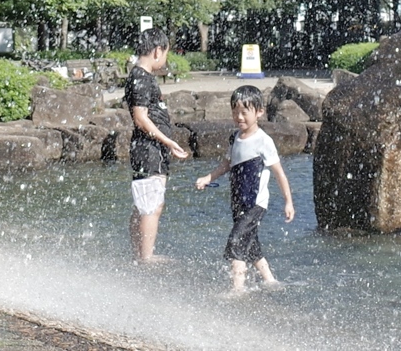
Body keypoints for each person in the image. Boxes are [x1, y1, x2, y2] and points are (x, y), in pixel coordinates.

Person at [196, 85, 295, 292]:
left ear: (259, 112)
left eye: (244, 112)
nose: (239, 117)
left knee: (236, 240)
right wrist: (208, 177)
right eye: (235, 112)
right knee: (250, 242)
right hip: (238, 200)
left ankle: (237, 289)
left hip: (255, 203)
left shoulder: (263, 141)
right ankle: (270, 280)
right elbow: (226, 165)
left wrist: (288, 201)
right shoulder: (234, 138)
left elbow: (279, 173)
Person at [126, 28, 189, 263]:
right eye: (165, 55)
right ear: (157, 51)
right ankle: (146, 256)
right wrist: (168, 140)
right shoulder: (141, 78)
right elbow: (140, 117)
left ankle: (140, 253)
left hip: (151, 150)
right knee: (150, 204)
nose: (165, 60)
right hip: (148, 149)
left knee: (148, 203)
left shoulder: (142, 77)